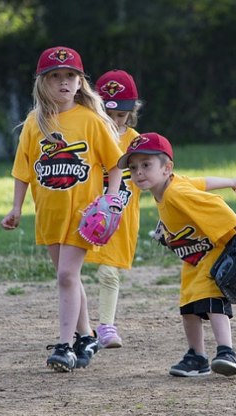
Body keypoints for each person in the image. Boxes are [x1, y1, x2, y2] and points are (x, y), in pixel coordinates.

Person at [0, 46, 123, 372]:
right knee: (68, 277)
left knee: (67, 275)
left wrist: (110, 200)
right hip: (50, 215)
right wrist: (16, 208)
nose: (64, 82)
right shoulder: (34, 123)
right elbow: (22, 170)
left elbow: (115, 166)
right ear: (42, 83)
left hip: (84, 216)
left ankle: (65, 346)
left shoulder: (91, 120)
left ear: (81, 82)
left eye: (70, 75)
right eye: (55, 76)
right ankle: (86, 337)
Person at [117, 132, 236, 377]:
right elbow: (202, 181)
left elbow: (218, 206)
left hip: (216, 253)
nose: (138, 172)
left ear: (166, 168)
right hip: (194, 258)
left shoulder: (176, 193)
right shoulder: (171, 185)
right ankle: (196, 357)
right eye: (133, 167)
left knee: (213, 300)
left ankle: (226, 352)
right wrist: (233, 181)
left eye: (146, 165)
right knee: (188, 305)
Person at [84, 69, 143, 348]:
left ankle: (106, 326)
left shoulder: (135, 141)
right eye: (109, 114)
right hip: (85, 214)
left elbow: (154, 176)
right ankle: (80, 326)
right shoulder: (89, 134)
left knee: (109, 272)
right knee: (70, 272)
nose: (115, 120)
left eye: (121, 115)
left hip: (119, 218)